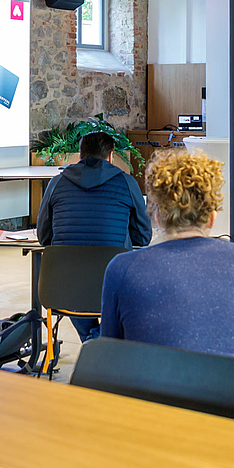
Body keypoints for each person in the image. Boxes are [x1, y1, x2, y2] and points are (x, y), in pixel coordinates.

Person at [100, 151, 234, 362]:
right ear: (211, 218)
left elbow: (110, 358)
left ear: (158, 219)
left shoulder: (123, 269)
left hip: (154, 392)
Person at [37, 131, 151, 340]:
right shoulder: (127, 183)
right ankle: (97, 340)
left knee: (77, 290)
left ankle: (92, 340)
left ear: (80, 155)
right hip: (113, 283)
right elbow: (143, 237)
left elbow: (44, 237)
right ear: (111, 156)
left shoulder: (56, 183)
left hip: (63, 286)